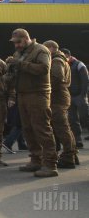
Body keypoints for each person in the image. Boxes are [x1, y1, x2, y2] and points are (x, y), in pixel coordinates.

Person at [5, 28, 58, 178]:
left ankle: (50, 164)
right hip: (23, 95)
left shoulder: (41, 50)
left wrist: (20, 64)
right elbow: (16, 74)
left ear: (26, 38)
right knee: (28, 129)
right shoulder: (19, 53)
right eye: (14, 43)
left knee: (42, 129)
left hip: (38, 94)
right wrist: (9, 72)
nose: (16, 45)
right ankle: (36, 160)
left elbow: (43, 69)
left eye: (18, 42)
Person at [43, 41, 76, 169]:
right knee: (64, 128)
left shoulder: (57, 60)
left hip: (58, 97)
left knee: (62, 128)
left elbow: (56, 77)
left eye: (45, 49)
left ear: (51, 48)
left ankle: (68, 156)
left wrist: (44, 86)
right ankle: (72, 154)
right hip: (60, 96)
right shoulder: (60, 59)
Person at [62, 48, 89, 149]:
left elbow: (85, 80)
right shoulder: (63, 65)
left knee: (85, 117)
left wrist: (83, 95)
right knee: (73, 120)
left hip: (80, 96)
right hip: (69, 96)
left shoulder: (79, 64)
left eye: (64, 56)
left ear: (68, 55)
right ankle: (78, 140)